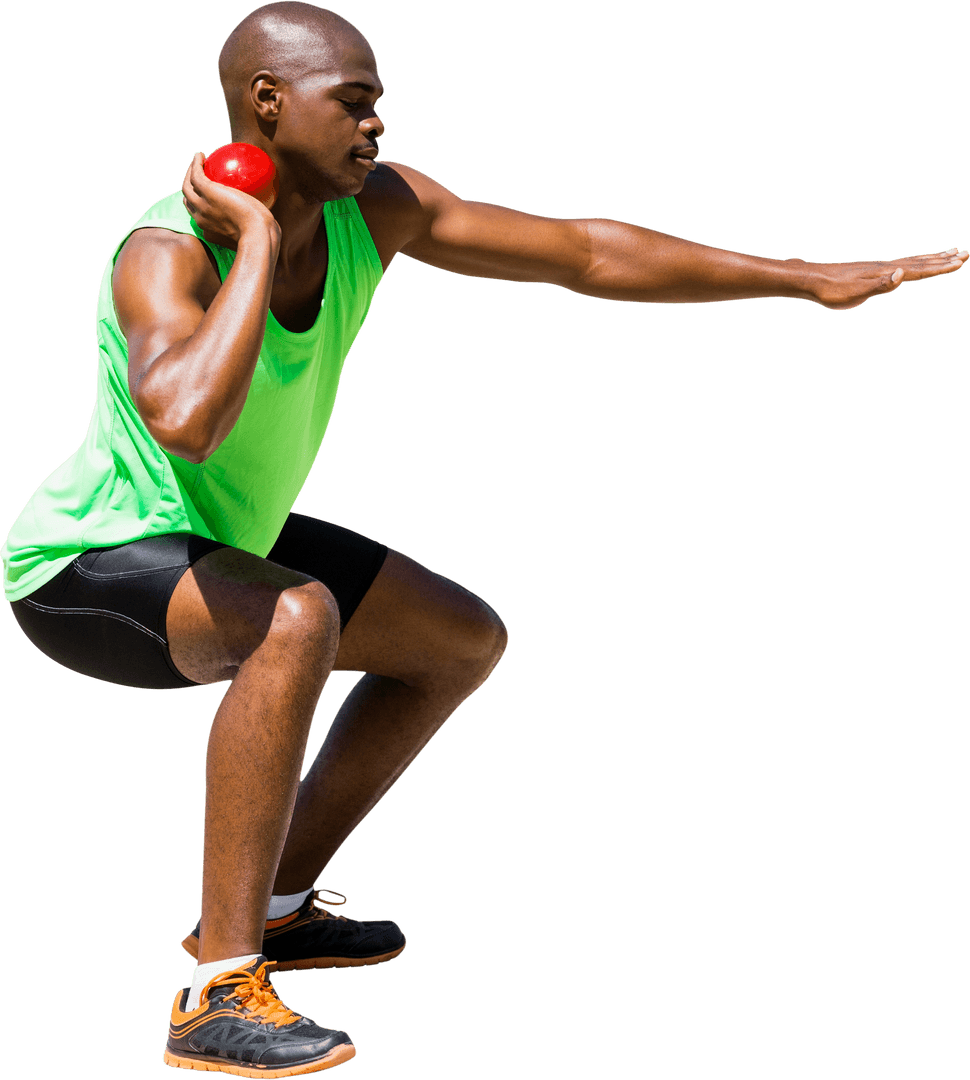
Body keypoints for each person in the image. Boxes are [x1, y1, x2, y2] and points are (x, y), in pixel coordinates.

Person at [1, 2, 965, 1076]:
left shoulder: (383, 209)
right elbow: (185, 417)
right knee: (295, 616)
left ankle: (275, 907)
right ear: (268, 105)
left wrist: (799, 276)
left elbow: (587, 254)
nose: (374, 129)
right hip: (84, 567)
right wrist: (260, 237)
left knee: (455, 638)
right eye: (351, 104)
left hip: (217, 539)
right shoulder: (164, 251)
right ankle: (216, 994)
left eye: (380, 108)